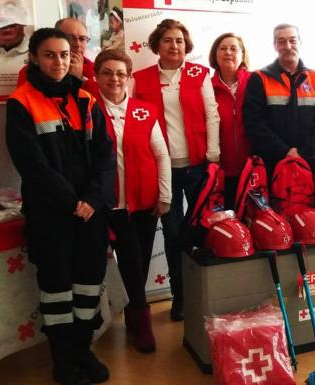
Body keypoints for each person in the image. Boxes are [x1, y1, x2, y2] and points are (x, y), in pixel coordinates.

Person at [5, 27, 115, 385]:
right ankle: (63, 359)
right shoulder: (21, 102)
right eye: (50, 54)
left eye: (65, 54)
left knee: (87, 284)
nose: (59, 61)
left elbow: (105, 158)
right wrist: (72, 202)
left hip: (90, 213)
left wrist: (92, 200)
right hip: (51, 215)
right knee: (56, 288)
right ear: (34, 58)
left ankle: (83, 349)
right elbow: (32, 165)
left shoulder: (87, 99)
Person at [132, 19, 220, 321]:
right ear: (157, 44)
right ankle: (179, 296)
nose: (174, 46)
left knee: (198, 232)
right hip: (163, 169)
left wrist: (213, 154)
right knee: (172, 235)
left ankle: (203, 294)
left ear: (187, 45)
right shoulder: (139, 79)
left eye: (179, 41)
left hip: (196, 166)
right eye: (168, 40)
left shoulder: (200, 74)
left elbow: (212, 114)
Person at [94, 49, 171, 352]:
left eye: (120, 73)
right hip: (109, 204)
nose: (115, 79)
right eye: (108, 72)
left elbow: (161, 154)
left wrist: (164, 196)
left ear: (129, 78)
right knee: (131, 261)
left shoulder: (144, 110)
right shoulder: (89, 111)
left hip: (146, 203)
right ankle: (142, 324)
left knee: (138, 262)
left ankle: (134, 318)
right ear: (97, 76)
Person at [243, 23, 315, 173]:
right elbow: (253, 123)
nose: (287, 46)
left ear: (300, 42)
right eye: (281, 41)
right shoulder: (259, 78)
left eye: (292, 40)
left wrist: (303, 153)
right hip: (269, 166)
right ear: (274, 45)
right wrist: (284, 151)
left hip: (307, 164)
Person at [208, 32, 251, 207]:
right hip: (221, 168)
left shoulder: (255, 81)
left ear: (242, 55)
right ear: (215, 55)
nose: (228, 52)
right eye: (223, 48)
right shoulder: (206, 87)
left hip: (253, 166)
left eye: (234, 49)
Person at [17, 18, 98, 95]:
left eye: (82, 39)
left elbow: (98, 104)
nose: (77, 44)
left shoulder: (96, 69)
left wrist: (79, 78)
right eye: (70, 38)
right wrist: (72, 79)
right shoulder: (30, 72)